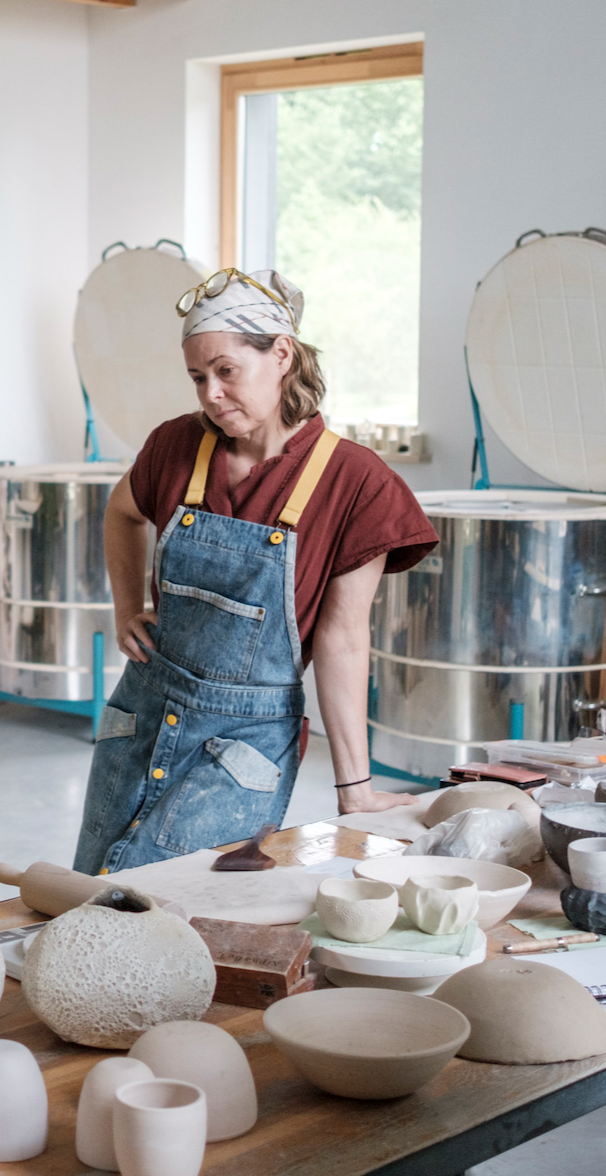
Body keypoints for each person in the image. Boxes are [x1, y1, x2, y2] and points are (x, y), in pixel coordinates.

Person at [75, 267, 438, 874]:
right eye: (197, 377)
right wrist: (125, 606)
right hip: (143, 709)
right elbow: (121, 512)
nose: (210, 395)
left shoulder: (358, 483)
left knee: (171, 902)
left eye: (225, 371)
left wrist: (355, 788)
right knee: (91, 888)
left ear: (282, 355)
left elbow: (343, 639)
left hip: (241, 749)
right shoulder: (175, 446)